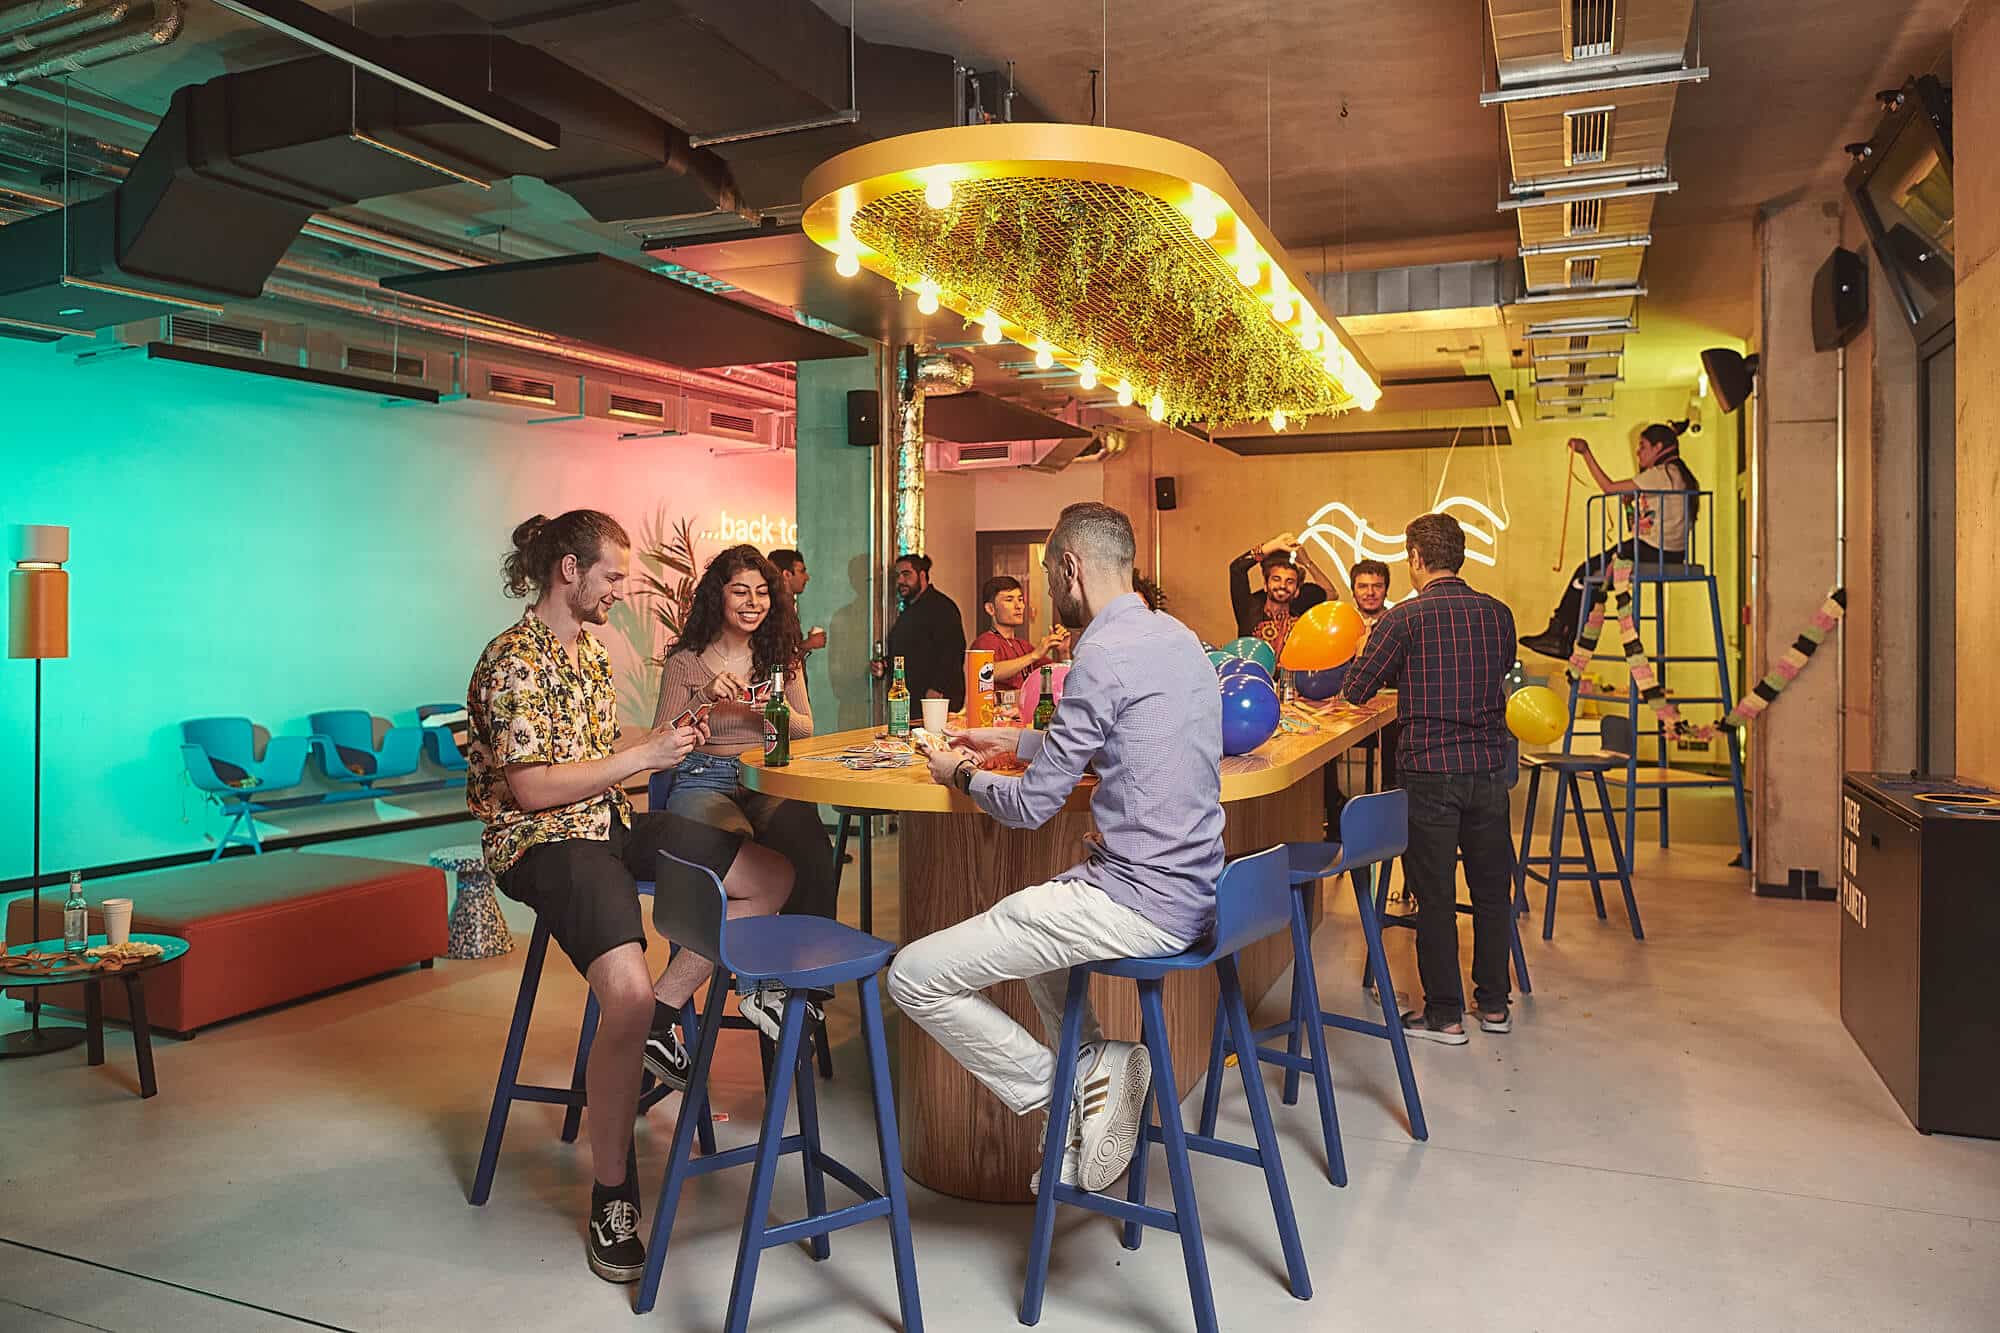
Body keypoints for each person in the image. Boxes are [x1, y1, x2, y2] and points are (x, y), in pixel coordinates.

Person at [466, 511, 795, 1286]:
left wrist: (669, 738)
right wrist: (641, 754)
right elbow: (532, 787)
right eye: (611, 574)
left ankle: (669, 1015)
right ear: (567, 572)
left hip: (608, 822)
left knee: (770, 877)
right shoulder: (513, 659)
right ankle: (613, 1191)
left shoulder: (587, 653)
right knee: (624, 993)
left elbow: (603, 757)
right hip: (541, 841)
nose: (620, 588)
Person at [887, 503, 1224, 1195]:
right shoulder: (1181, 638)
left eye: (1046, 576)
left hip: (1140, 901)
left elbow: (1033, 806)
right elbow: (1111, 738)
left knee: (913, 975)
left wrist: (963, 773)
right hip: (1196, 889)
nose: (1045, 593)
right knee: (1033, 914)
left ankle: (1069, 1086)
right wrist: (1012, 742)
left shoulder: (1100, 650)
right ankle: (1096, 1060)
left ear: (1071, 565)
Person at [1340, 512, 1518, 1045]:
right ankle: (1493, 1002)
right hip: (1488, 768)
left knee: (1435, 894)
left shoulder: (1404, 620)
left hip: (1429, 770)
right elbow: (1501, 668)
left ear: (1415, 559)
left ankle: (1443, 1014)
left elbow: (1357, 688)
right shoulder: (1498, 614)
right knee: (1491, 891)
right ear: (1459, 557)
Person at [653, 545, 838, 924]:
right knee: (725, 849)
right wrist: (704, 697)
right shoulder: (684, 661)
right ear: (716, 595)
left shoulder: (781, 655)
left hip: (766, 775)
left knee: (811, 848)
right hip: (702, 778)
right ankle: (742, 967)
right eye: (740, 591)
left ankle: (806, 978)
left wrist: (771, 708)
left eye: (762, 592)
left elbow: (806, 729)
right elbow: (661, 737)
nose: (753, 602)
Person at [1520, 421, 1701, 659]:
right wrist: (1629, 508)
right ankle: (1563, 636)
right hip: (1670, 552)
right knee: (1593, 577)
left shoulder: (1659, 475)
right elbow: (1637, 527)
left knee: (1585, 573)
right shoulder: (1679, 476)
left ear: (1659, 447)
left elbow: (1608, 487)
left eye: (1643, 446)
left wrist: (1586, 453)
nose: (1638, 452)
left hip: (1652, 550)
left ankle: (1560, 634)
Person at [874, 552, 967, 709]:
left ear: (922, 575)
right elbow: (909, 653)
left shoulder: (942, 607)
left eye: (906, 574)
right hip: (912, 701)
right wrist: (884, 665)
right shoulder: (909, 611)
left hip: (935, 701)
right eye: (897, 576)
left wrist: (938, 688)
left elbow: (952, 652)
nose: (900, 581)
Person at [1229, 532, 1333, 654]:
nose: (1282, 586)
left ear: (1297, 590)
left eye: (1289, 581)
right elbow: (1236, 569)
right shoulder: (1249, 609)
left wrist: (1307, 562)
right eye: (1276, 579)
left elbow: (1331, 594)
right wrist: (1273, 545)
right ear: (1265, 586)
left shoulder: (1300, 614)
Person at [970, 574, 1069, 688]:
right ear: (990, 609)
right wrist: (1034, 655)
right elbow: (988, 672)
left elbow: (1057, 677)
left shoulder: (1023, 645)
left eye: (1020, 599)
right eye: (1009, 600)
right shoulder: (984, 642)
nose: (1019, 606)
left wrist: (1063, 652)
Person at [767, 548, 827, 653]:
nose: (807, 577)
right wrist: (810, 643)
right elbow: (777, 656)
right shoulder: (775, 609)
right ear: (787, 575)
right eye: (802, 571)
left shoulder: (786, 606)